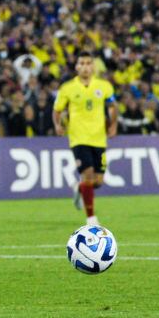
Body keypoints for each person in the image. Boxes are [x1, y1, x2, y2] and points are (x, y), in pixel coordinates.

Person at [53, 52, 118, 226]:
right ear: (77, 67)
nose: (85, 66)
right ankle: (91, 218)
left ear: (93, 66)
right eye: (82, 63)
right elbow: (57, 109)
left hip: (99, 138)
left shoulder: (104, 86)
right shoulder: (67, 88)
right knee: (88, 176)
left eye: (89, 63)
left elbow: (112, 106)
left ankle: (79, 188)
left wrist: (113, 125)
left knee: (98, 182)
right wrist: (58, 125)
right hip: (78, 138)